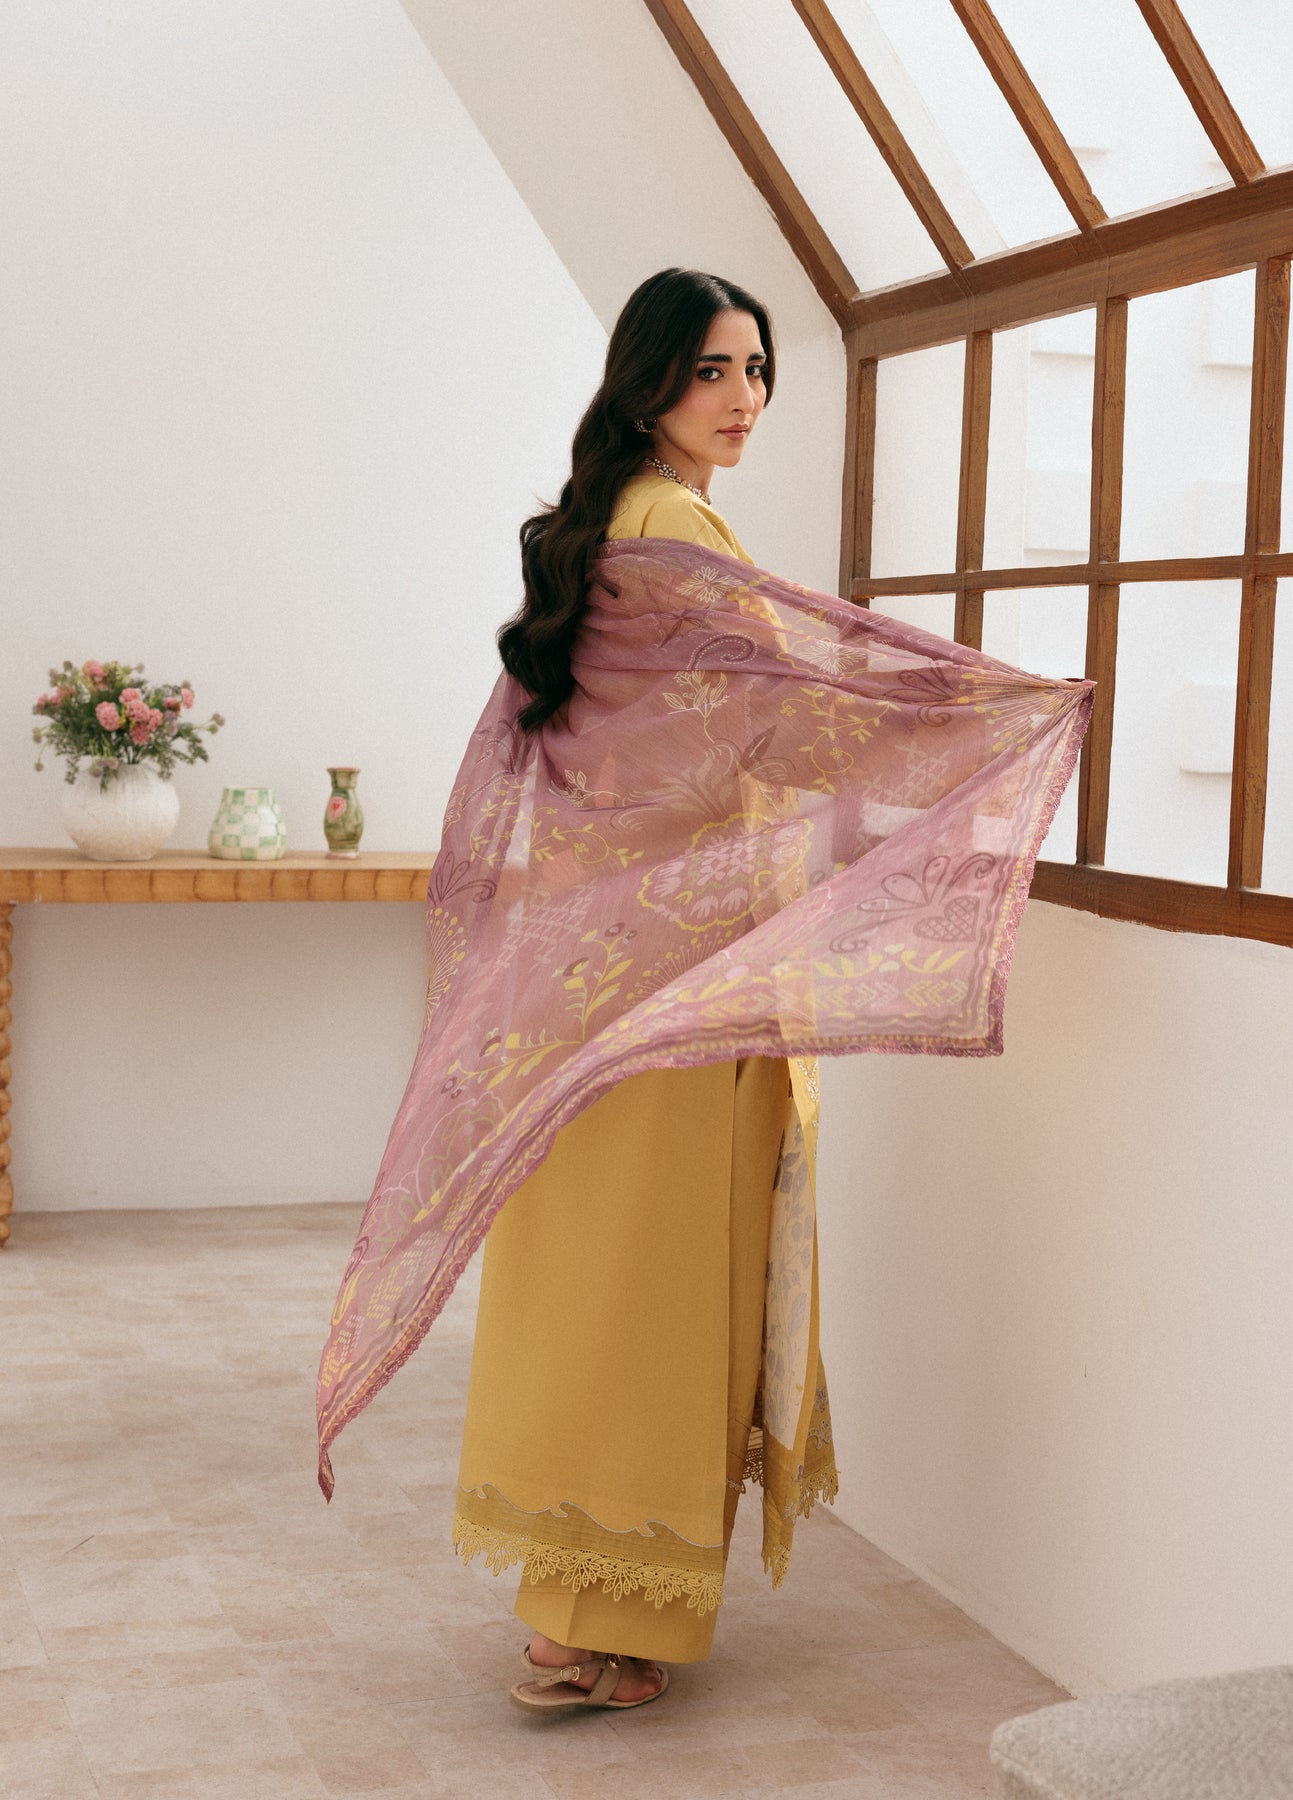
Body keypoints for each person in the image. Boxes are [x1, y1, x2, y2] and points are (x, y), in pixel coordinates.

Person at [454, 268, 828, 1713]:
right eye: (711, 371)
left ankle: (577, 1616)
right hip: (678, 969)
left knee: (592, 1273)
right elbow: (778, 727)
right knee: (662, 1282)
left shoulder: (602, 524)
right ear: (647, 380)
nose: (742, 398)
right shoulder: (678, 528)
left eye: (755, 369)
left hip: (590, 962)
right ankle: (584, 1628)